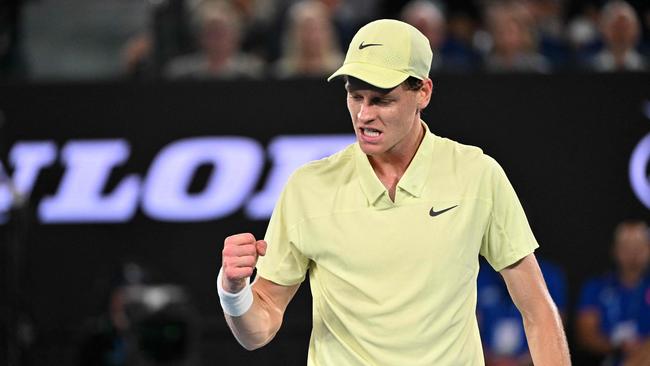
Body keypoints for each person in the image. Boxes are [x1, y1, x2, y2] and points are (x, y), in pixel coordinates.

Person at [217, 19, 570, 365]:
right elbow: (259, 330)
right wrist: (233, 291)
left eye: (382, 100)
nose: (364, 115)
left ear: (423, 93)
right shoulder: (307, 188)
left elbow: (537, 310)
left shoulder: (477, 174)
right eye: (355, 97)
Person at [576, 220, 650, 366]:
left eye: (639, 247)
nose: (633, 254)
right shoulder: (596, 287)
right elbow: (585, 335)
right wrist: (617, 347)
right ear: (615, 249)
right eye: (627, 247)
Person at [477, 257, 568, 365]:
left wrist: (523, 361)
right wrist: (491, 359)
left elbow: (555, 329)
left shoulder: (548, 277)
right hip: (485, 361)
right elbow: (470, 326)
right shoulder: (479, 277)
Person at [588, 0, 646, 72]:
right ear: (603, 29)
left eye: (625, 27)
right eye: (615, 27)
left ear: (636, 29)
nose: (620, 32)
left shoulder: (645, 66)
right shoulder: (587, 68)